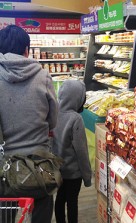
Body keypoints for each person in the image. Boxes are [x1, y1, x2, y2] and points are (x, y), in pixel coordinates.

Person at [0, 25, 58, 223]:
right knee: (42, 207)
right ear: (27, 49)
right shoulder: (43, 76)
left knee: (6, 212)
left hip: (5, 165)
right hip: (38, 163)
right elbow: (53, 120)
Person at [52, 79, 92, 223]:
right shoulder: (76, 119)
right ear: (78, 98)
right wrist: (87, 176)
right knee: (72, 202)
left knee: (60, 199)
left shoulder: (53, 113)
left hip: (57, 170)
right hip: (73, 173)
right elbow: (81, 151)